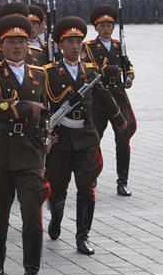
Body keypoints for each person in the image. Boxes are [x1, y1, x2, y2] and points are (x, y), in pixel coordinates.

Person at [0, 13, 49, 275]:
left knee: (32, 214)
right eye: (12, 42)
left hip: (31, 152)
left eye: (22, 40)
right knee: (0, 210)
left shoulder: (40, 73)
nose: (18, 46)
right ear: (1, 45)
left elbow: (46, 110)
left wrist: (47, 133)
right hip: (2, 151)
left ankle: (31, 272)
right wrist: (24, 107)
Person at [44, 17, 125, 255]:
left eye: (78, 41)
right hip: (61, 140)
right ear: (60, 45)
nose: (75, 46)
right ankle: (56, 218)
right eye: (69, 41)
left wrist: (119, 119)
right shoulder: (49, 73)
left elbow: (103, 96)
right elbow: (43, 103)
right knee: (57, 189)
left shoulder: (90, 71)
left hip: (86, 137)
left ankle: (83, 236)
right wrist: (44, 132)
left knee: (87, 187)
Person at [83, 5, 138, 196]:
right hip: (99, 98)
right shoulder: (88, 47)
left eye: (109, 25)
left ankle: (122, 181)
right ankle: (91, 177)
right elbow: (90, 69)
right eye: (102, 25)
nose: (106, 29)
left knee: (123, 139)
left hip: (119, 97)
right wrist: (110, 70)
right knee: (94, 139)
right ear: (96, 27)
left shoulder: (118, 45)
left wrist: (129, 77)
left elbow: (128, 66)